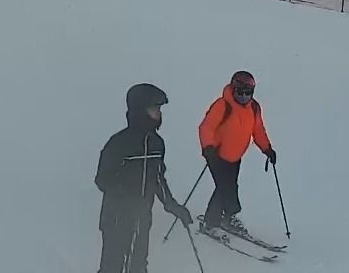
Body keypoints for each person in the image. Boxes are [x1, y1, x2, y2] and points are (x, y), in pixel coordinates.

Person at [95, 84, 193, 273]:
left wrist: (173, 206)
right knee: (113, 266)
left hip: (141, 218)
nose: (158, 113)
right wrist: (127, 198)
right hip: (117, 219)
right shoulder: (119, 143)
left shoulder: (157, 144)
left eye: (159, 109)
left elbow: (158, 179)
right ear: (140, 111)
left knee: (138, 265)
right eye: (154, 108)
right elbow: (102, 179)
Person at [197, 71, 275, 235]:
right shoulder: (222, 105)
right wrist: (208, 148)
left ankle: (227, 216)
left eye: (248, 93)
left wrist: (267, 149)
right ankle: (211, 223)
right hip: (217, 155)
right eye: (240, 92)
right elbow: (206, 127)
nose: (244, 96)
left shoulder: (254, 108)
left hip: (236, 156)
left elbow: (258, 130)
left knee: (230, 185)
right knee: (224, 187)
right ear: (233, 89)